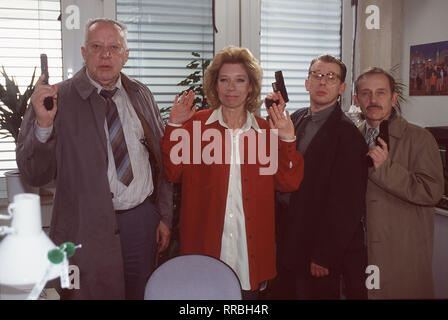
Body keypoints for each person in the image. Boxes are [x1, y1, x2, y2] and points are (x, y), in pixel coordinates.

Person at [16, 18, 172, 300]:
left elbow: (161, 161)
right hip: (84, 228)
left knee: (144, 294)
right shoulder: (55, 99)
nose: (106, 55)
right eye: (97, 47)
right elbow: (33, 175)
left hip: (141, 223)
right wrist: (43, 126)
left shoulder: (140, 93)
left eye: (114, 47)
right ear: (84, 52)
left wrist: (163, 216)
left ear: (126, 55)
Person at [161, 46, 304, 299]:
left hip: (249, 257)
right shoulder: (196, 126)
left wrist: (287, 139)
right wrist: (174, 125)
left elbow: (288, 183)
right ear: (215, 85)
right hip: (203, 249)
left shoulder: (265, 130)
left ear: (251, 87)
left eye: (240, 80)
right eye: (224, 80)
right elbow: (172, 173)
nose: (231, 88)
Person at [274, 55, 368, 299]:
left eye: (331, 77)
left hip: (316, 246)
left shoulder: (348, 136)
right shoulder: (295, 118)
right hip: (287, 235)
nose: (322, 82)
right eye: (317, 75)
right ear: (307, 83)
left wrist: (325, 254)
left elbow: (347, 205)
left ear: (341, 88)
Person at [354, 67, 444, 299]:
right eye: (365, 93)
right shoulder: (352, 136)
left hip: (401, 255)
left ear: (394, 98)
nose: (373, 100)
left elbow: (431, 192)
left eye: (381, 93)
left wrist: (386, 170)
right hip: (360, 252)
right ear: (356, 99)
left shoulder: (419, 138)